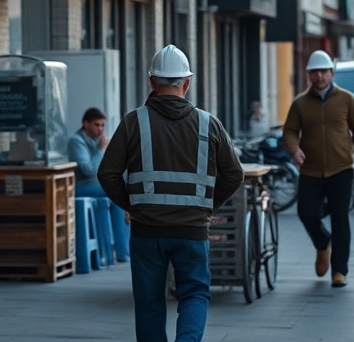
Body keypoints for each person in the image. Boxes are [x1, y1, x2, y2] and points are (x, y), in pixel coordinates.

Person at [98, 45, 243, 342]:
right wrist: (208, 206)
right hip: (192, 230)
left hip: (146, 230)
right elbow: (234, 174)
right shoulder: (208, 123)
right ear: (186, 83)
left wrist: (132, 204)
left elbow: (107, 174)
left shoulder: (132, 122)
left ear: (151, 82)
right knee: (194, 295)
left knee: (150, 302)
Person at [283, 50, 354, 289]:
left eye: (324, 71)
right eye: (314, 72)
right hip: (310, 170)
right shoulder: (300, 103)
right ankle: (323, 244)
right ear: (308, 74)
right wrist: (294, 150)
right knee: (307, 213)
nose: (319, 76)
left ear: (331, 73)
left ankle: (339, 271)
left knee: (341, 218)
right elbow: (289, 131)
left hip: (341, 169)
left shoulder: (347, 99)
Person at [67, 107, 130, 263]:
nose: (100, 129)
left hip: (97, 187)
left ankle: (123, 252)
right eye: (96, 125)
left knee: (120, 199)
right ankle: (121, 252)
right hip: (81, 187)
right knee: (118, 193)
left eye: (102, 125)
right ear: (85, 124)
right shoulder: (76, 141)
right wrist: (101, 150)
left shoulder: (98, 141)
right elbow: (88, 170)